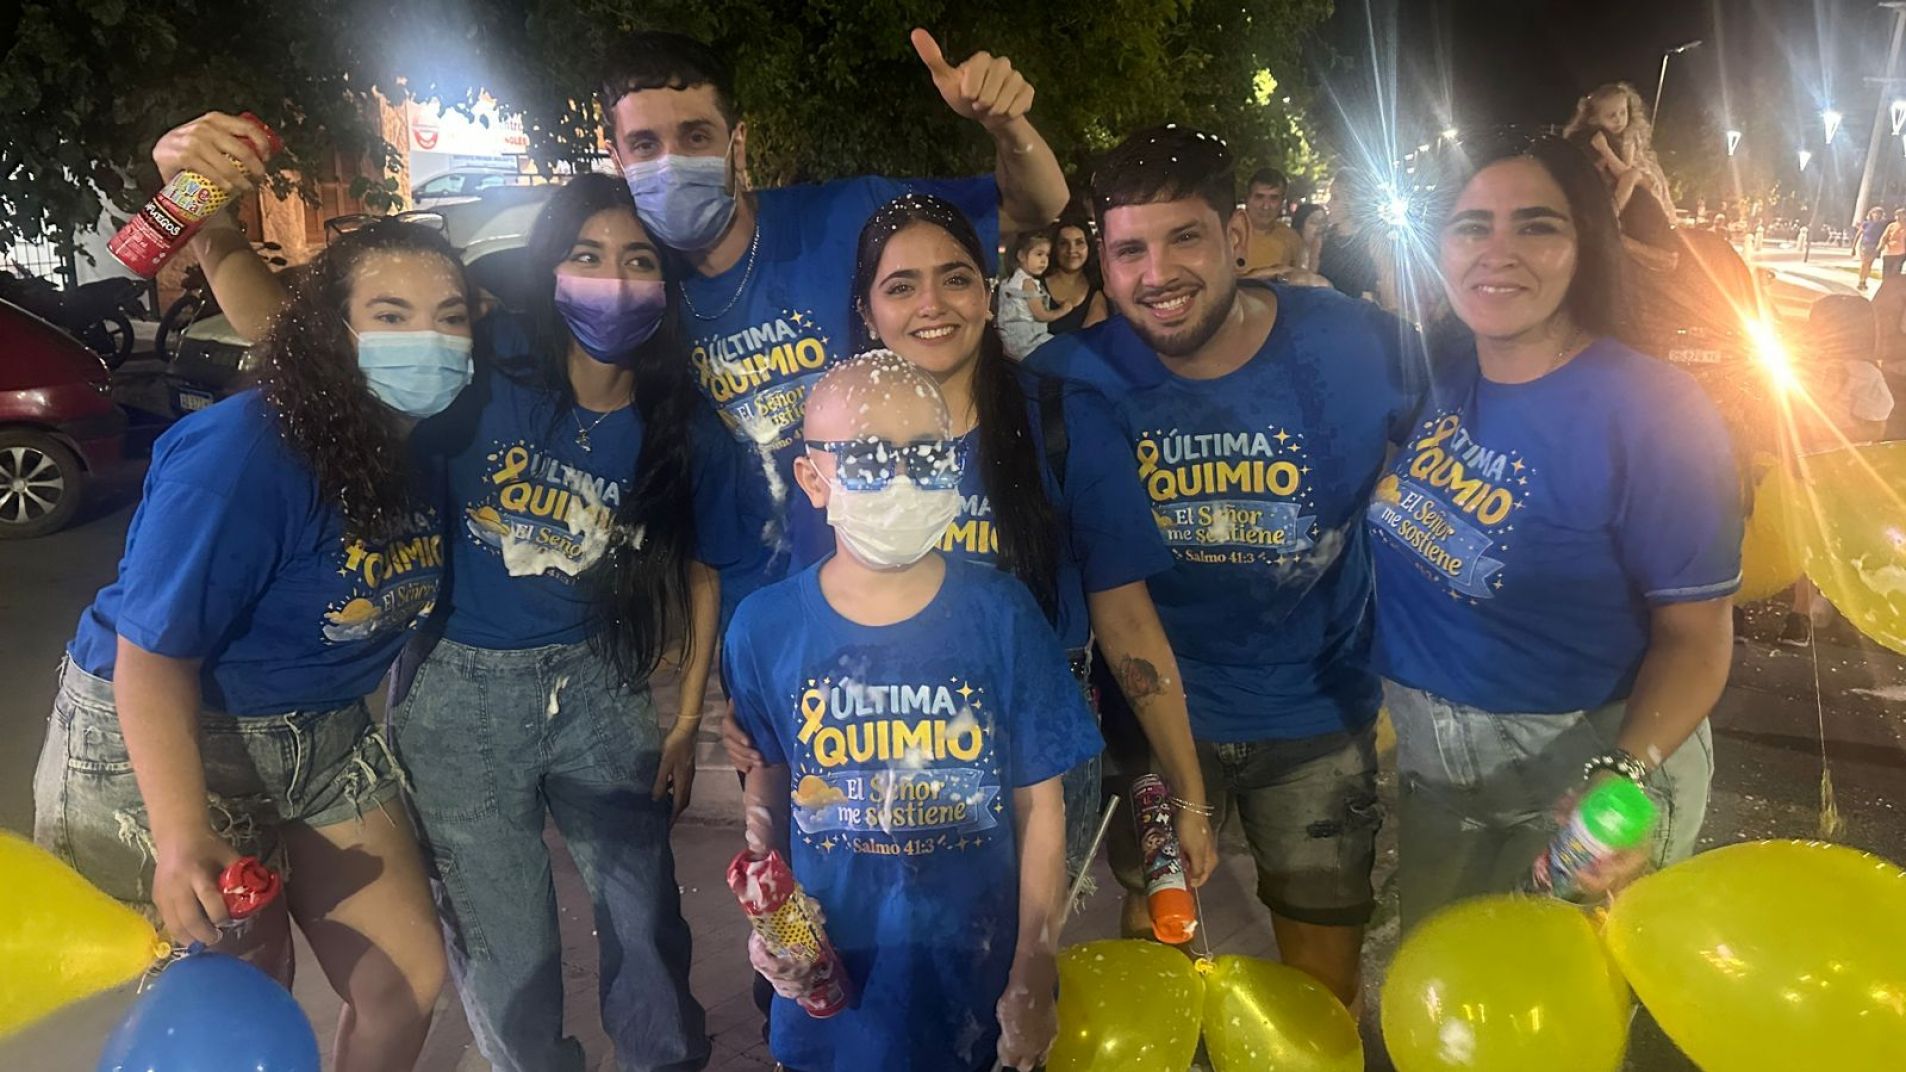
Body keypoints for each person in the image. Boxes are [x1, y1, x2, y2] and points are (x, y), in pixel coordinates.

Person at [151, 109, 749, 1069]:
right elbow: (299, 342)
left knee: (645, 918)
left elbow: (703, 566)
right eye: (587, 255)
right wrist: (208, 216)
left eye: (638, 260)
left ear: (665, 283)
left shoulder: (682, 426)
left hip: (601, 687)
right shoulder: (485, 372)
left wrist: (683, 723)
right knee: (505, 940)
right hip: (457, 695)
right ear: (551, 270)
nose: (612, 280)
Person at [34, 219, 461, 1071]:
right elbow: (154, 656)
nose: (429, 339)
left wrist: (217, 231)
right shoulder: (246, 451)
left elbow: (269, 309)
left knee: (406, 979)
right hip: (169, 735)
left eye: (451, 316)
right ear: (333, 335)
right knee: (237, 1007)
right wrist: (180, 834)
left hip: (323, 728)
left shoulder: (415, 438)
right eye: (391, 314)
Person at [1028, 125, 1424, 1009]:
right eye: (1130, 250)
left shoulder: (1359, 345)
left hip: (1318, 714)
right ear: (1103, 262)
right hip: (1152, 719)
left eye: (1186, 238)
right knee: (1155, 962)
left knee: (1320, 989)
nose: (1157, 274)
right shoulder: (1065, 379)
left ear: (1237, 236)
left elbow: (1478, 418)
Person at [744, 192, 1215, 889]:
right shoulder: (834, 442)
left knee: (1030, 944)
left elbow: (1127, 620)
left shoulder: (1065, 422)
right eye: (901, 287)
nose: (932, 304)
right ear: (867, 313)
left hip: (1035, 755)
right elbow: (803, 619)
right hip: (873, 746)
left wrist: (1188, 790)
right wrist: (754, 715)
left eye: (956, 277)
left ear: (988, 295)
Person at [1366, 132, 1741, 931]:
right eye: (1471, 226)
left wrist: (1623, 775)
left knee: (1551, 1003)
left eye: (1536, 226)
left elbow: (1698, 638)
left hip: (1583, 781)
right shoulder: (1447, 374)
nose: (1496, 251)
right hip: (1442, 786)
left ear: (1586, 246)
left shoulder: (1653, 410)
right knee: (1446, 990)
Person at [724, 352, 1100, 1072]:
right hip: (836, 988)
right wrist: (773, 921)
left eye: (926, 456)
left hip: (975, 982)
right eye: (867, 458)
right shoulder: (763, 627)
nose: (902, 479)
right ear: (812, 478)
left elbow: (1041, 806)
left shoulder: (1003, 614)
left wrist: (1035, 962)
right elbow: (767, 777)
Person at [599, 29, 1069, 594]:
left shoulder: (848, 215)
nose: (672, 163)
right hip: (766, 597)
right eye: (645, 145)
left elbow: (1036, 206)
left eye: (696, 136)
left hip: (898, 572)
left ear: (737, 144)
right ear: (617, 159)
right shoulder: (636, 292)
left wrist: (1006, 124)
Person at [1777, 294, 1895, 647]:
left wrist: (1822, 430)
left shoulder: (1865, 375)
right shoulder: (1808, 369)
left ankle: (1808, 611)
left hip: (1839, 470)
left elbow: (1875, 427)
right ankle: (1805, 609)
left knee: (1823, 539)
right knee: (1811, 536)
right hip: (1809, 465)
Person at [996, 230, 1072, 359]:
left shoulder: (1010, 281)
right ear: (1021, 256)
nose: (1044, 260)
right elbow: (1041, 315)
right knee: (1065, 348)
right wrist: (1063, 310)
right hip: (1028, 340)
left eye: (1047, 255)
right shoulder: (1028, 283)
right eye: (1039, 254)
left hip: (1009, 341)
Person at [1237, 167, 1306, 277]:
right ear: (1247, 199)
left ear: (1282, 202)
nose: (1266, 206)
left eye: (1273, 198)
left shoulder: (1292, 239)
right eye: (1259, 197)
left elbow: (1300, 282)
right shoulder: (1227, 234)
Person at [1044, 217, 1109, 334]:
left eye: (1079, 243)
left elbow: (1091, 340)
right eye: (1064, 243)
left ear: (1089, 247)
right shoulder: (1034, 284)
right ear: (1054, 248)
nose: (1071, 250)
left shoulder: (1097, 293)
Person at [1292, 202, 1330, 273]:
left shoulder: (1329, 257)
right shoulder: (1289, 254)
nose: (1321, 226)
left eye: (1324, 222)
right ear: (1300, 226)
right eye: (1315, 222)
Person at [1857, 207, 1887, 292]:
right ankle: (1861, 280)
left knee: (1869, 265)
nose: (1877, 215)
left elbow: (1884, 236)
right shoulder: (1866, 223)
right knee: (1864, 263)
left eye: (1879, 213)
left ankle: (1864, 280)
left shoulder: (1882, 225)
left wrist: (1881, 246)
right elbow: (1859, 234)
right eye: (1875, 213)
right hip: (1865, 245)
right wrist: (1854, 247)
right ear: (1871, 214)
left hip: (1875, 246)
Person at [1882, 209, 1906, 279]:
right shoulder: (1891, 225)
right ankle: (1886, 284)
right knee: (1886, 272)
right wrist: (1881, 247)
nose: (1898, 217)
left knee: (1896, 272)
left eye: (1900, 215)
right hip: (1889, 252)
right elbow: (1884, 237)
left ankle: (1893, 284)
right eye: (1897, 215)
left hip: (1900, 253)